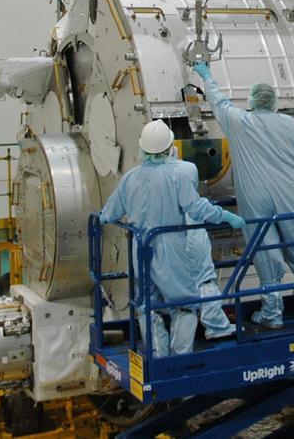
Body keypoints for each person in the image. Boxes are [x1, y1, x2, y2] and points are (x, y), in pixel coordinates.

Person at [99, 120, 245, 357]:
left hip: (140, 247)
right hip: (170, 247)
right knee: (184, 303)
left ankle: (157, 356)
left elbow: (109, 213)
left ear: (142, 148)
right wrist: (225, 215)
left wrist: (102, 218)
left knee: (147, 304)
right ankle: (179, 358)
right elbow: (195, 208)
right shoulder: (182, 172)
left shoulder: (130, 178)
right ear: (170, 147)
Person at [192, 62, 294, 329]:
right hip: (291, 195)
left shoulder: (240, 122)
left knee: (265, 252)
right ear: (273, 102)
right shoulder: (290, 124)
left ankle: (272, 314)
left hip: (255, 200)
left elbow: (218, 102)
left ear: (251, 101)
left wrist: (207, 76)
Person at [166, 151, 235, 341]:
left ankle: (173, 345)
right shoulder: (186, 171)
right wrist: (226, 216)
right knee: (204, 279)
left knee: (180, 289)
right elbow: (198, 207)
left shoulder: (152, 177)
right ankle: (216, 326)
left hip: (171, 242)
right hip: (192, 235)